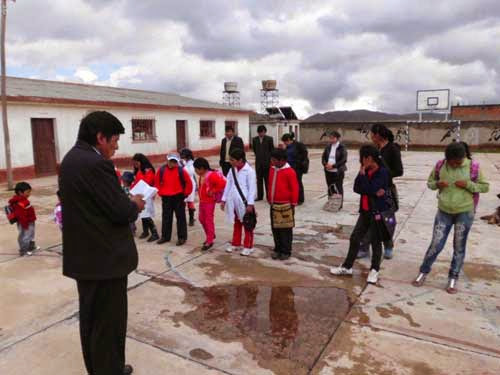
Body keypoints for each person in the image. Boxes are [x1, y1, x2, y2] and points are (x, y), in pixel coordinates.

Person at [59, 110, 145, 375]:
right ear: (100, 137)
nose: (116, 146)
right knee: (108, 324)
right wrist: (135, 204)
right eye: (114, 140)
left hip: (86, 258)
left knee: (92, 321)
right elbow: (119, 211)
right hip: (104, 260)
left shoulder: (71, 159)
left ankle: (104, 368)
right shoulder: (96, 164)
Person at [412, 142, 489, 294]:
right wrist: (437, 184)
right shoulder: (440, 165)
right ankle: (423, 271)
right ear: (447, 159)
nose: (454, 165)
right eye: (452, 162)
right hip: (444, 212)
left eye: (458, 162)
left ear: (464, 157)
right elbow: (430, 183)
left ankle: (453, 278)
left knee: (459, 247)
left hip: (465, 213)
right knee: (436, 244)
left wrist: (468, 184)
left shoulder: (474, 167)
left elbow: (485, 186)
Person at [330, 145, 391, 285]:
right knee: (355, 237)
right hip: (364, 211)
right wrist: (366, 182)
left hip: (377, 211)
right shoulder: (365, 170)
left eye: (362, 158)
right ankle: (347, 267)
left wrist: (367, 184)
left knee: (376, 241)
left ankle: (374, 270)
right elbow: (357, 188)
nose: (361, 162)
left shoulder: (382, 172)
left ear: (368, 158)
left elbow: (371, 189)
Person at [358, 124, 404, 260]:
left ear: (378, 134)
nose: (371, 136)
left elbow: (399, 171)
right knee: (367, 218)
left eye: (372, 134)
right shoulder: (374, 148)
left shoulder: (392, 149)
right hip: (370, 188)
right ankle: (364, 247)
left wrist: (383, 173)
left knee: (385, 220)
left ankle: (388, 245)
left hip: (385, 190)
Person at [221, 148, 257, 256]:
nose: (230, 162)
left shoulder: (249, 171)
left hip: (245, 203)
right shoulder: (232, 170)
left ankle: (248, 246)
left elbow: (252, 188)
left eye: (232, 160)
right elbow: (228, 184)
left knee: (247, 224)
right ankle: (236, 243)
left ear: (240, 160)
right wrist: (223, 199)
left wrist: (250, 204)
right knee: (237, 224)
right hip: (234, 202)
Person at [155, 153, 193, 246]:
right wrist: (160, 192)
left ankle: (182, 237)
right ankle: (165, 236)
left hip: (178, 197)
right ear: (167, 160)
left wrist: (185, 194)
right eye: (171, 161)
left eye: (174, 161)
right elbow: (156, 182)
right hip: (166, 197)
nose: (172, 163)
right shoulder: (161, 170)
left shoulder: (181, 171)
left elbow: (189, 183)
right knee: (166, 217)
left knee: (180, 218)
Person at [268, 149, 299, 260]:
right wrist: (269, 197)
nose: (272, 161)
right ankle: (277, 249)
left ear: (281, 160)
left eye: (274, 160)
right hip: (273, 204)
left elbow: (295, 188)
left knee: (285, 230)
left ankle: (286, 251)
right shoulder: (272, 170)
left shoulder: (290, 172)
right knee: (275, 228)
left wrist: (293, 204)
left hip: (286, 205)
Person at [193, 157, 227, 251]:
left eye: (197, 169)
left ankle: (209, 240)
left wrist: (213, 191)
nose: (196, 171)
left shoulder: (211, 175)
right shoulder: (202, 175)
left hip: (209, 202)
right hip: (203, 201)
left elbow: (224, 183)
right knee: (201, 219)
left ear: (202, 168)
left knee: (208, 220)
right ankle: (210, 234)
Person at [132, 153, 159, 242]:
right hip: (140, 194)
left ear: (141, 162)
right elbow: (136, 182)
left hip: (146, 194)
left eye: (136, 163)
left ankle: (154, 233)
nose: (135, 165)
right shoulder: (138, 170)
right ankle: (145, 231)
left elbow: (148, 181)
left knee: (146, 214)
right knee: (142, 214)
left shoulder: (148, 170)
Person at [9, 181, 40, 256]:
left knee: (30, 234)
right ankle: (23, 251)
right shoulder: (20, 203)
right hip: (25, 223)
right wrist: (25, 225)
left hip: (30, 221)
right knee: (24, 236)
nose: (29, 194)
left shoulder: (24, 200)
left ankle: (31, 247)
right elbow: (21, 215)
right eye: (28, 192)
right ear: (20, 192)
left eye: (30, 192)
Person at [321, 130, 348, 208]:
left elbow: (344, 159)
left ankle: (339, 205)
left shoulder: (342, 147)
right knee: (330, 187)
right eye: (330, 138)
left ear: (337, 138)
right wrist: (325, 164)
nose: (331, 140)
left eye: (333, 138)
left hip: (338, 171)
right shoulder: (328, 146)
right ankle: (331, 203)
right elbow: (323, 157)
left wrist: (333, 166)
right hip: (328, 171)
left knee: (338, 187)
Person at [281, 133, 308, 205]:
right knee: (290, 184)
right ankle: (292, 197)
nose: (284, 143)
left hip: (298, 168)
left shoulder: (298, 145)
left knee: (298, 183)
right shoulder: (287, 147)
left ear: (289, 140)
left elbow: (304, 155)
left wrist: (300, 163)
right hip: (289, 168)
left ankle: (300, 199)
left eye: (285, 142)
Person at [252, 125, 274, 201]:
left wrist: (271, 160)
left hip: (267, 163)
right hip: (258, 163)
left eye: (262, 132)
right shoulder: (255, 139)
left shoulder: (269, 139)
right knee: (259, 181)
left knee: (267, 181)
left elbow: (272, 150)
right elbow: (254, 150)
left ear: (265, 132)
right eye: (259, 132)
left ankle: (269, 196)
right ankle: (260, 196)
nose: (261, 134)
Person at [180, 148, 197, 226]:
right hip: (183, 183)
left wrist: (182, 166)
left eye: (183, 155)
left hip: (190, 183)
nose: (181, 157)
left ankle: (191, 219)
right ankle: (182, 218)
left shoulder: (192, 163)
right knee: (182, 201)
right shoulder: (184, 162)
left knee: (190, 201)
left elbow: (189, 172)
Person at [121, 171, 137, 236]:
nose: (123, 182)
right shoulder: (122, 187)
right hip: (124, 204)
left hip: (130, 205)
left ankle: (132, 229)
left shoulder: (132, 188)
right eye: (123, 181)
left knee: (130, 219)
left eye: (125, 181)